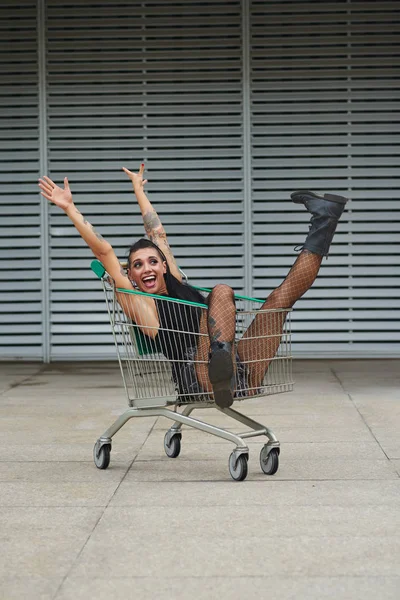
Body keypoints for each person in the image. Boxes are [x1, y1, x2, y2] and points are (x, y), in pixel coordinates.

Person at [38, 165, 348, 408]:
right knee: (221, 293)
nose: (146, 268)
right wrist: (69, 209)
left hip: (239, 368)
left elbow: (156, 232)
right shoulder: (137, 302)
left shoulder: (177, 282)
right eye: (137, 265)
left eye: (152, 261)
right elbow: (104, 251)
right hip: (196, 376)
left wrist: (138, 190)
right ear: (130, 276)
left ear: (163, 266)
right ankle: (220, 368)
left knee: (280, 298)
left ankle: (325, 219)